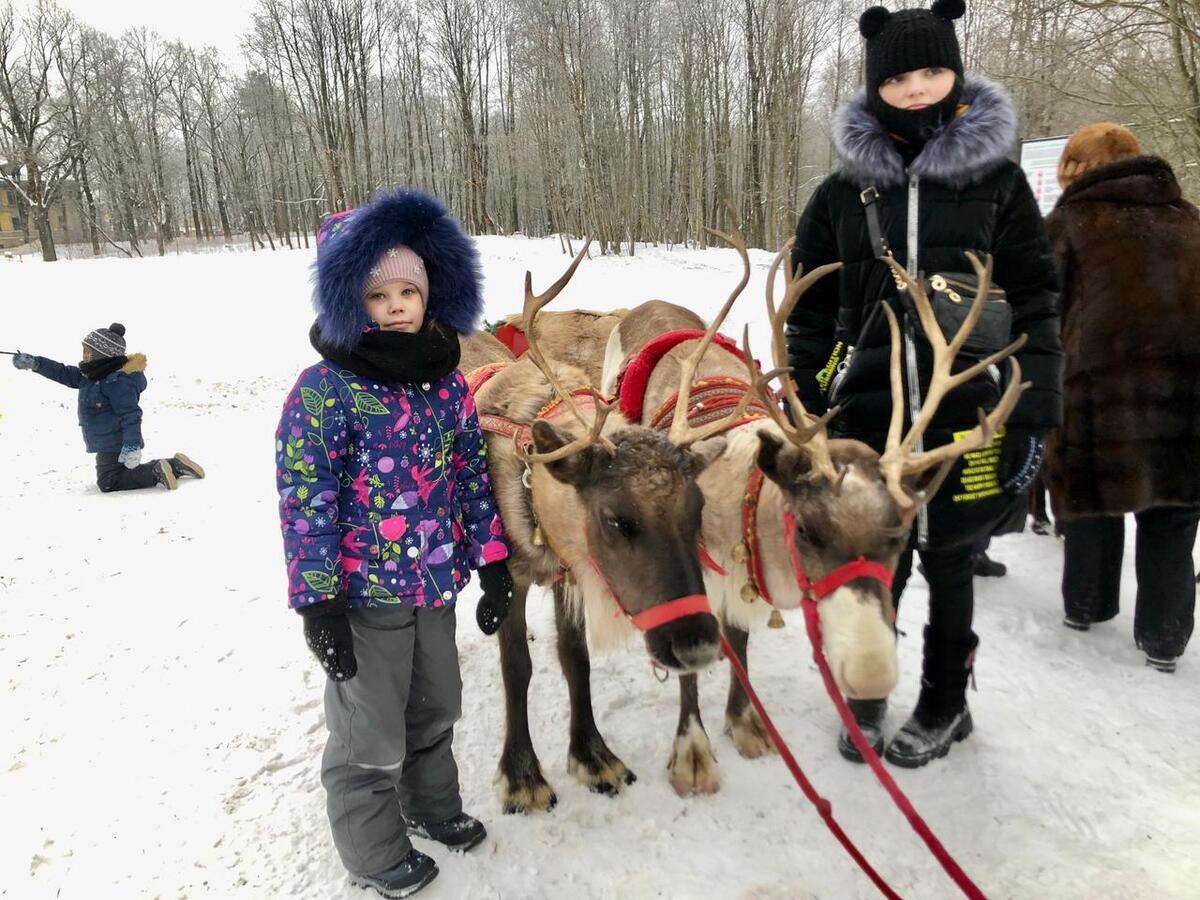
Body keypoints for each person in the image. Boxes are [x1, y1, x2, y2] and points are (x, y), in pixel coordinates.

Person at [786, 0, 1062, 767]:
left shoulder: (998, 183)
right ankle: (869, 689)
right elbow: (808, 306)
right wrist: (807, 395)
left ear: (957, 72)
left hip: (970, 408)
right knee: (875, 554)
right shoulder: (843, 193)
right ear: (876, 84)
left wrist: (1035, 404)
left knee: (950, 555)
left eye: (931, 70)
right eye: (899, 76)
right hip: (865, 415)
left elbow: (1037, 294)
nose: (915, 88)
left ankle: (946, 700)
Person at [276, 188, 514, 898]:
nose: (398, 305)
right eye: (378, 295)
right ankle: (375, 853)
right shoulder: (324, 393)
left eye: (409, 289)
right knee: (370, 735)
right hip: (362, 600)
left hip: (434, 589)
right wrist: (317, 602)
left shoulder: (445, 386)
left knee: (435, 708)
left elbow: (471, 476)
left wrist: (493, 561)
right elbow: (305, 500)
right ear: (351, 302)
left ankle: (431, 807)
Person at [1044, 123, 1200, 674]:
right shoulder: (1191, 219)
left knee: (1091, 501)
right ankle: (1164, 640)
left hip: (1096, 397)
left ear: (1078, 170)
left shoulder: (1069, 222)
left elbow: (1043, 310)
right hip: (1185, 397)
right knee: (1173, 515)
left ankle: (1087, 606)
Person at [11, 323, 204, 492]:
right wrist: (35, 363)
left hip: (115, 440)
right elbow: (63, 372)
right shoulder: (92, 375)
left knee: (109, 481)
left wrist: (131, 445)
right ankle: (175, 465)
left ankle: (155, 471)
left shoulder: (116, 382)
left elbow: (131, 414)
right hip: (108, 439)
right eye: (84, 350)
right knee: (114, 475)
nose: (84, 355)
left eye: (88, 352)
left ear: (102, 354)